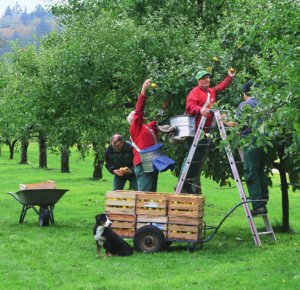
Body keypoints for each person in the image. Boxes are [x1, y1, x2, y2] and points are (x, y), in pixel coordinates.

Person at [180, 69, 236, 194]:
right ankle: (182, 181)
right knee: (190, 155)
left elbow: (221, 87)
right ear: (199, 80)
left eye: (208, 78)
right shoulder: (195, 92)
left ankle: (189, 184)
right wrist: (200, 110)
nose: (207, 80)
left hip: (205, 129)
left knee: (198, 157)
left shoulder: (210, 91)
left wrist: (229, 77)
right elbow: (189, 106)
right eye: (204, 78)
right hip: (195, 129)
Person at [223, 80, 269, 216]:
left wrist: (222, 119)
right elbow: (246, 125)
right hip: (265, 142)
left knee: (251, 172)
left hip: (252, 143)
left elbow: (235, 122)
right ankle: (263, 195)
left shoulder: (246, 105)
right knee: (260, 170)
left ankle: (258, 205)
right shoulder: (264, 104)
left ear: (245, 93)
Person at [127, 79, 159, 192]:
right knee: (144, 195)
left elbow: (158, 120)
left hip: (152, 162)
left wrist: (165, 106)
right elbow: (139, 111)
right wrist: (143, 92)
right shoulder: (135, 128)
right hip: (143, 163)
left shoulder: (147, 127)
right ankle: (141, 210)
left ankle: (150, 210)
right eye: (136, 116)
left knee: (151, 194)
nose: (140, 116)